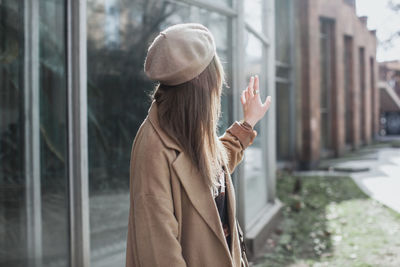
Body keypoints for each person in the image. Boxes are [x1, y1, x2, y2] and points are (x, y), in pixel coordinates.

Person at [126, 23, 271, 267]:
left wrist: (247, 124)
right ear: (204, 84)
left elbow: (210, 171)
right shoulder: (153, 148)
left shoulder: (188, 127)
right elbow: (159, 253)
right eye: (216, 75)